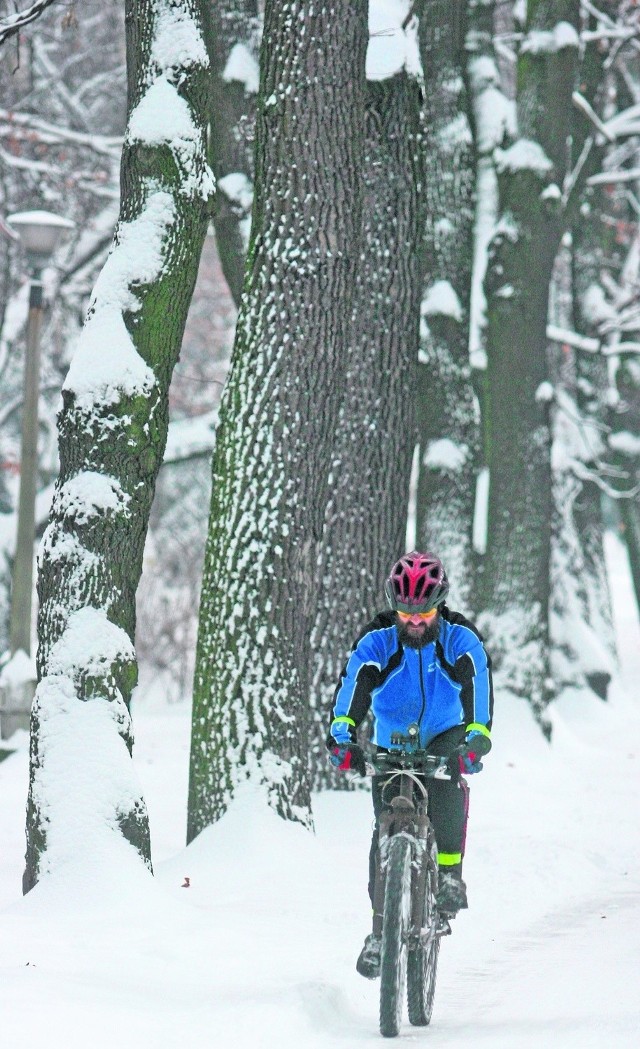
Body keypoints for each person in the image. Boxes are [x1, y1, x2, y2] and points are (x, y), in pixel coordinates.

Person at [327, 551, 493, 979]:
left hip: (444, 733)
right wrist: (342, 737)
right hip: (393, 740)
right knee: (385, 830)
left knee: (446, 784)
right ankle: (380, 932)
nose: (415, 622)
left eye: (425, 613)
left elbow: (478, 682)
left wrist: (477, 737)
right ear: (393, 607)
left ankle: (450, 874)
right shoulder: (378, 639)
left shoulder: (459, 637)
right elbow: (353, 689)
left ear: (440, 605)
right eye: (406, 613)